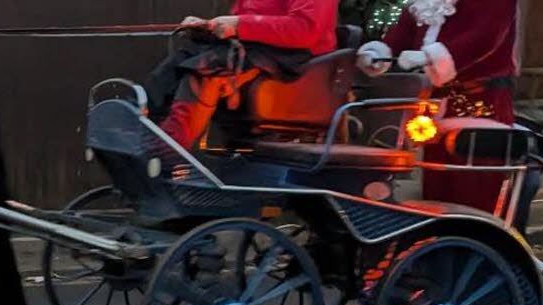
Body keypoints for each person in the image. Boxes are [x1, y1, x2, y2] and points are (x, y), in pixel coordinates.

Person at [357, 0, 521, 215]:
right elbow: (402, 33)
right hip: (435, 106)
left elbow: (484, 38)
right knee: (437, 185)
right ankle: (440, 241)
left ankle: (473, 240)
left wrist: (430, 56)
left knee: (474, 187)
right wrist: (379, 52)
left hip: (481, 104)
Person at [157, 0, 341, 150]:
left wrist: (238, 24)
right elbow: (245, 21)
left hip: (294, 65)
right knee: (177, 64)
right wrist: (210, 27)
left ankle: (164, 153)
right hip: (258, 52)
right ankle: (139, 130)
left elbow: (304, 29)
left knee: (208, 70)